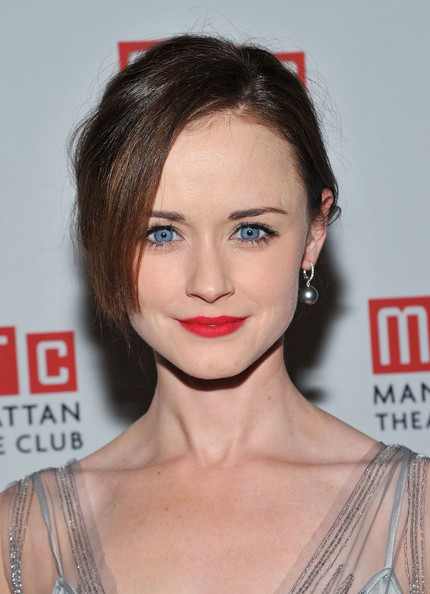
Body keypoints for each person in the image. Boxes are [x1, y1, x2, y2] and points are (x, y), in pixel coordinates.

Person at [0, 32, 429, 594]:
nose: (208, 284)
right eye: (161, 233)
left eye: (250, 231)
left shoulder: (415, 517)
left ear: (313, 234)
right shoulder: (25, 534)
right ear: (105, 240)